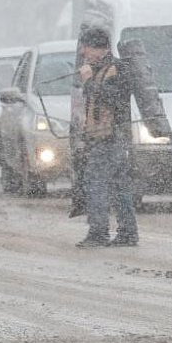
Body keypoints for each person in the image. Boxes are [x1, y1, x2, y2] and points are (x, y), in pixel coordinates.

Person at [75, 27, 138, 248]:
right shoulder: (102, 69)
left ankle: (99, 233)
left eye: (86, 48)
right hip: (106, 138)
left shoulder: (115, 69)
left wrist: (89, 82)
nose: (83, 52)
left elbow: (114, 100)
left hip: (110, 138)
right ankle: (127, 232)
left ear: (98, 48)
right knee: (119, 187)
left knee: (96, 184)